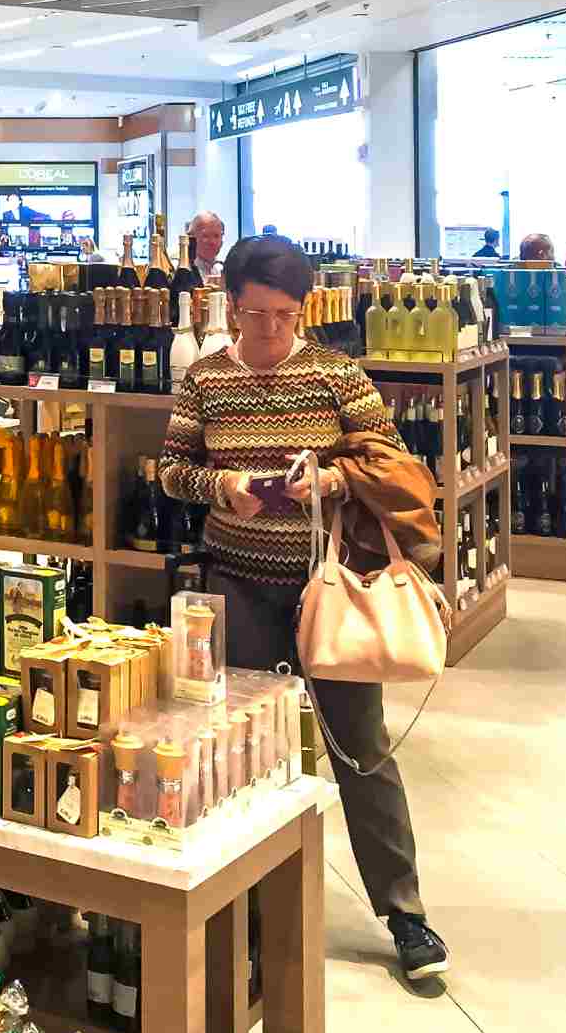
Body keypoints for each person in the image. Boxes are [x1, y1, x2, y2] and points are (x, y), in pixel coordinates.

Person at [159, 234, 450, 983]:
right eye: (256, 315)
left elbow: (391, 462)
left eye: (285, 316)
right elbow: (171, 469)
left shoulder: (335, 374)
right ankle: (244, 914)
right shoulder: (205, 382)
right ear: (230, 305)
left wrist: (329, 480)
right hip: (238, 584)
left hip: (331, 588)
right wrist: (221, 490)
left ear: (303, 310)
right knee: (237, 753)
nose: (270, 331)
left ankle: (404, 911)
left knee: (361, 745)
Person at [186, 210, 227, 276]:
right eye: (206, 236)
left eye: (216, 236)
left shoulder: (222, 269)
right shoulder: (181, 270)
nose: (212, 242)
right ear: (191, 239)